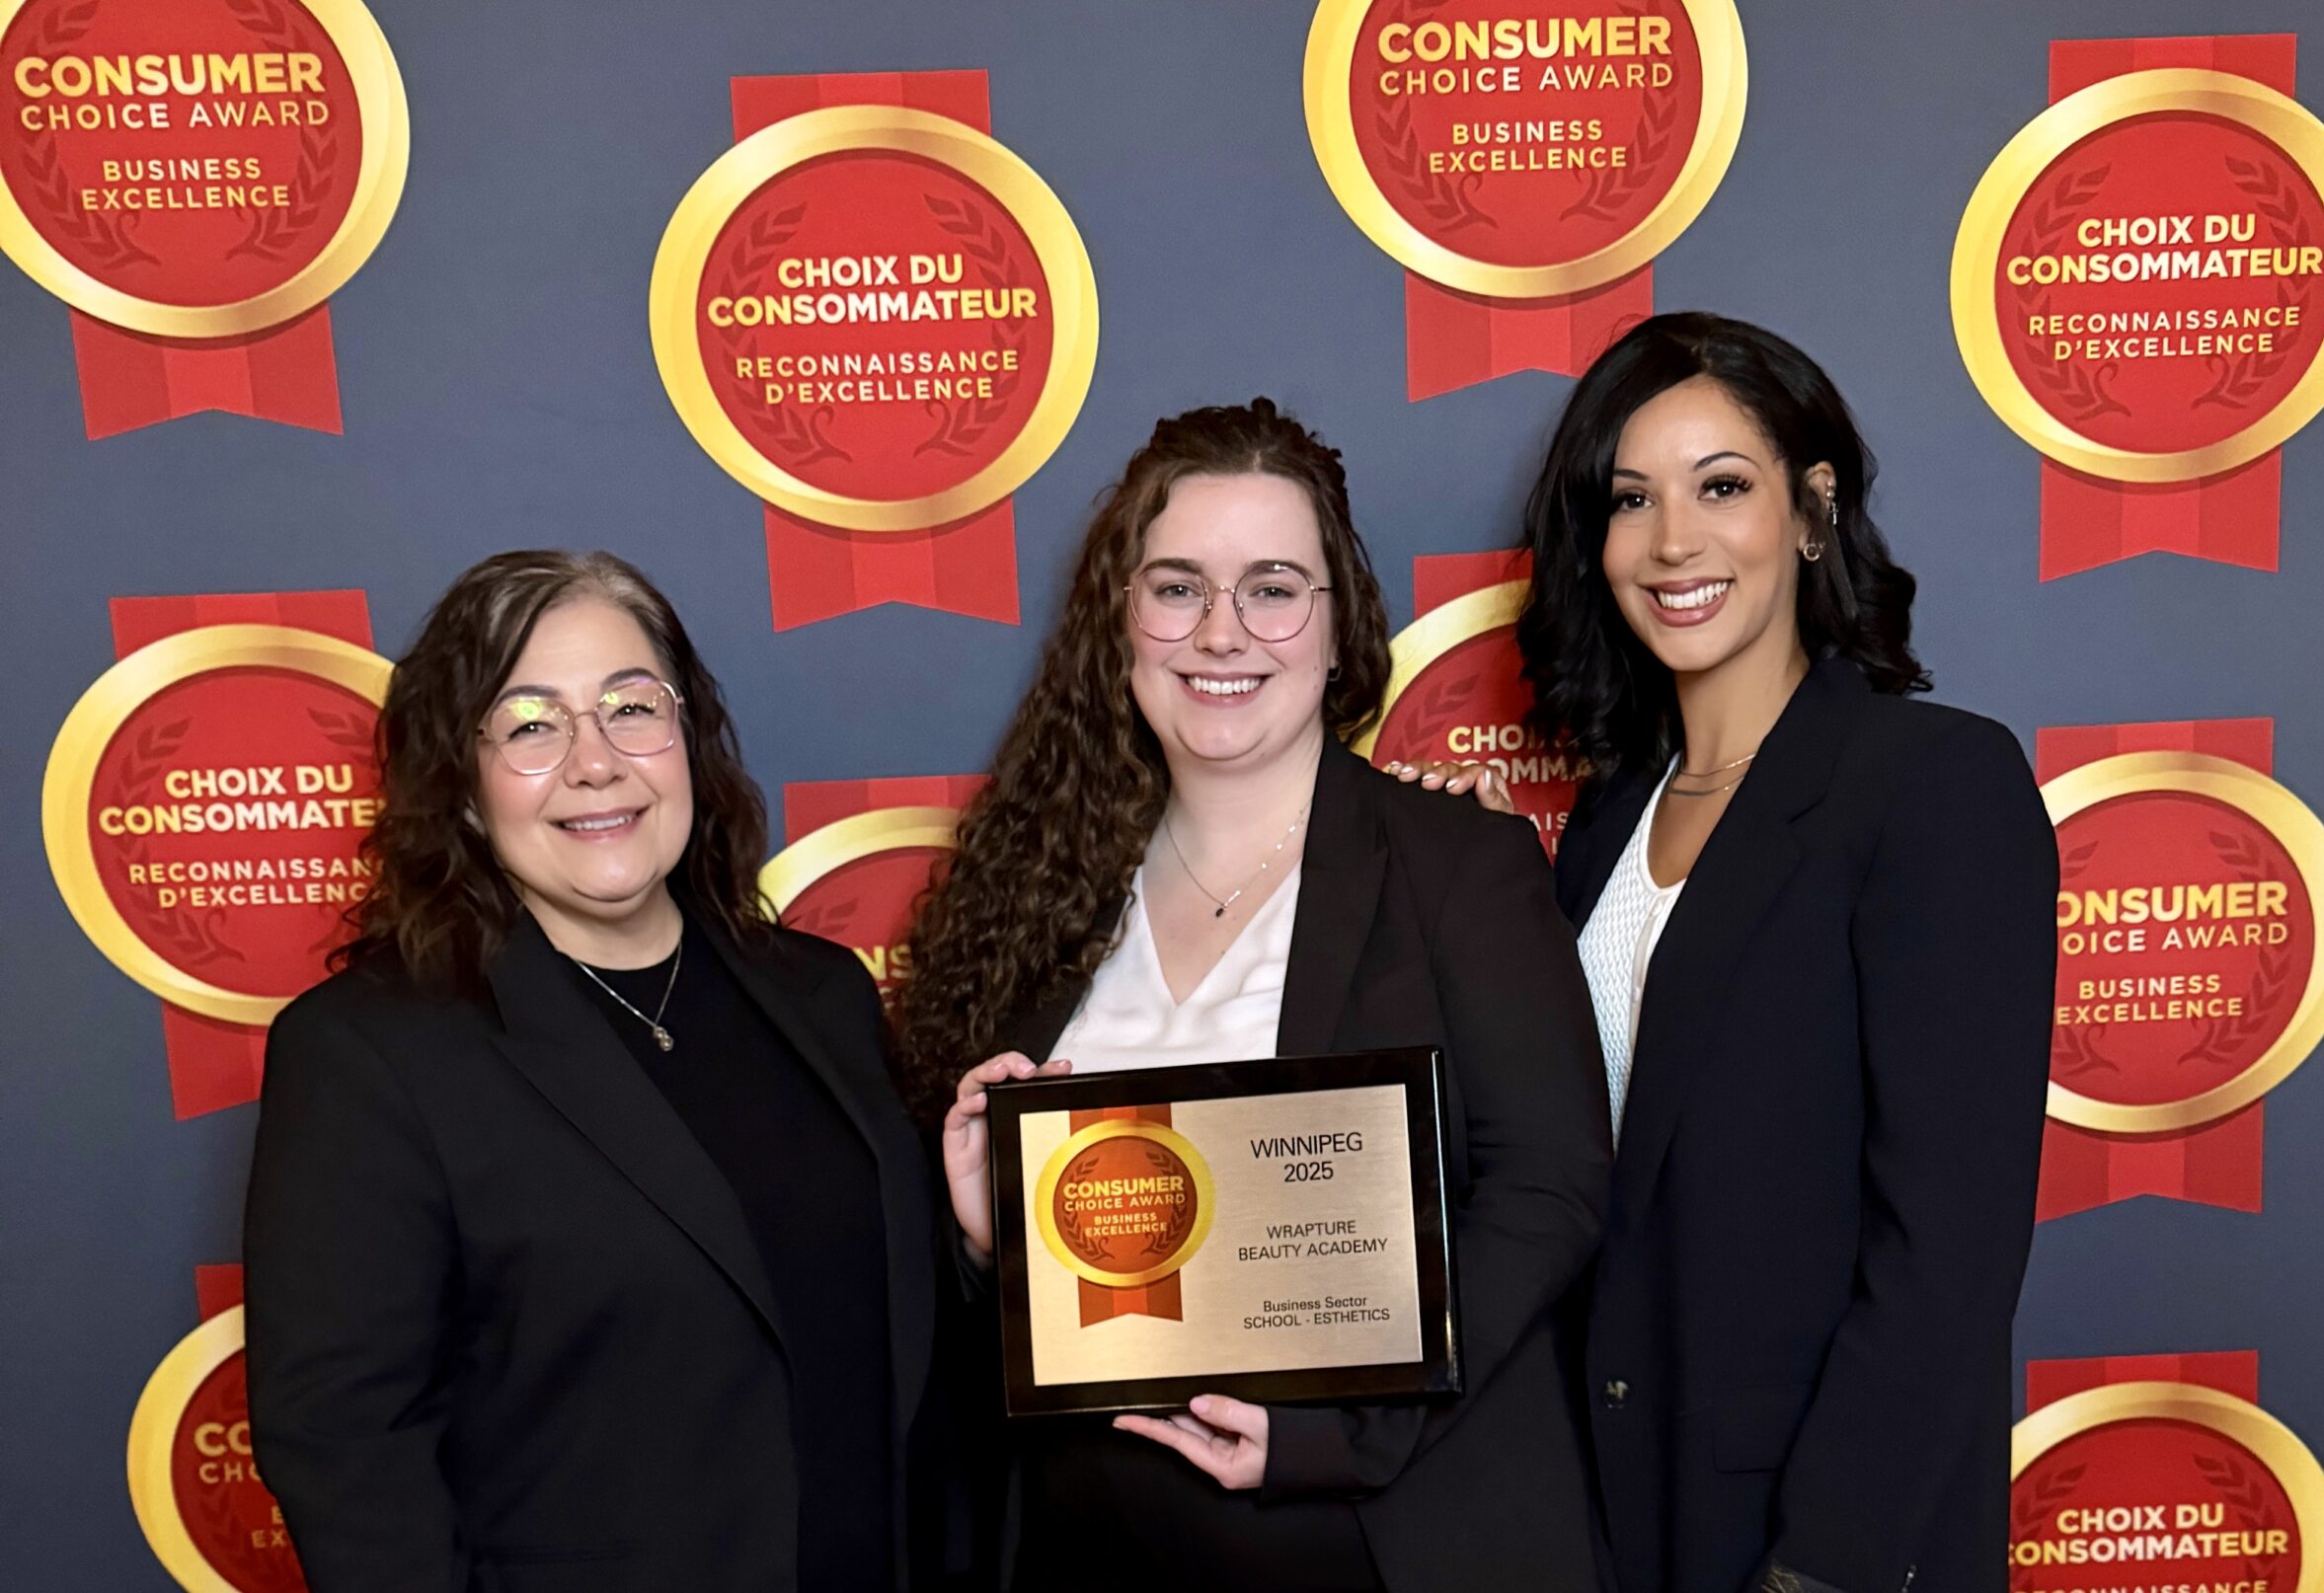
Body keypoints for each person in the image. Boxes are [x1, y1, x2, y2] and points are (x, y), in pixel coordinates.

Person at [893, 400, 1612, 1593]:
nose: (1221, 632)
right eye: (1176, 587)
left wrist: (1343, 1432)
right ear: (1118, 624)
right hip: (1095, 1547)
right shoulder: (1038, 884)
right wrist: (990, 1239)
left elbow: (1548, 1189)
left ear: (1338, 631)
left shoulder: (1455, 865)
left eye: (1273, 587)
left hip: (1377, 1538)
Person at [1420, 312, 2058, 1593]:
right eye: (1630, 498)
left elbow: (1948, 1252)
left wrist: (1822, 1563)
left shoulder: (1932, 786)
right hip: (1603, 1517)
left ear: (1814, 511)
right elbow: (1586, 1162)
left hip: (1812, 1539)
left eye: (1722, 486)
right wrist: (1474, 919)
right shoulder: (1605, 825)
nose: (1672, 542)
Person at [244, 551, 954, 1593]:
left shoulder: (821, 994)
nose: (596, 762)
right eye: (531, 725)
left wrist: (969, 1243)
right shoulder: (367, 1054)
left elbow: (866, 1330)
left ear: (687, 744)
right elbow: (348, 1454)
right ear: (466, 788)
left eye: (631, 708)